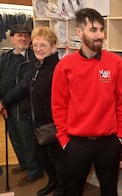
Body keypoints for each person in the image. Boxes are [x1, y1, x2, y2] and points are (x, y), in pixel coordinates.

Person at [51, 8, 122, 196]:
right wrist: (64, 140)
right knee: (72, 190)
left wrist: (120, 136)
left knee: (110, 190)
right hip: (76, 143)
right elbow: (58, 106)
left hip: (109, 143)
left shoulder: (116, 63)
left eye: (101, 30)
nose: (100, 35)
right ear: (79, 32)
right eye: (93, 30)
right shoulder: (65, 66)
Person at [0, 24, 43, 186]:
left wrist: (4, 102)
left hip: (22, 106)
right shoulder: (6, 56)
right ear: (12, 38)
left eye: (26, 35)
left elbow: (24, 86)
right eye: (19, 35)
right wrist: (1, 102)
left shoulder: (32, 58)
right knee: (14, 137)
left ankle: (34, 171)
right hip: (7, 105)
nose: (23, 38)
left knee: (27, 140)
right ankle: (24, 164)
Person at [29, 26, 66, 196]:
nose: (38, 49)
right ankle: (53, 182)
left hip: (54, 124)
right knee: (41, 156)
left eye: (43, 45)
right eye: (35, 45)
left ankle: (61, 188)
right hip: (40, 123)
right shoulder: (39, 66)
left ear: (53, 47)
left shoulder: (57, 68)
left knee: (58, 159)